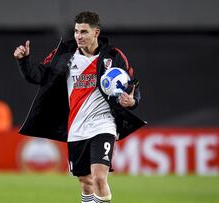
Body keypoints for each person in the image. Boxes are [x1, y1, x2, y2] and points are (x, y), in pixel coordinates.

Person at [13, 11, 145, 203]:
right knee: (85, 181)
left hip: (104, 125)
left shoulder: (113, 57)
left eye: (84, 32)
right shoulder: (65, 55)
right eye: (76, 31)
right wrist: (23, 61)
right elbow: (38, 76)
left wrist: (132, 102)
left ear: (96, 32)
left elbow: (131, 86)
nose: (78, 36)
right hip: (76, 127)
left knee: (99, 178)